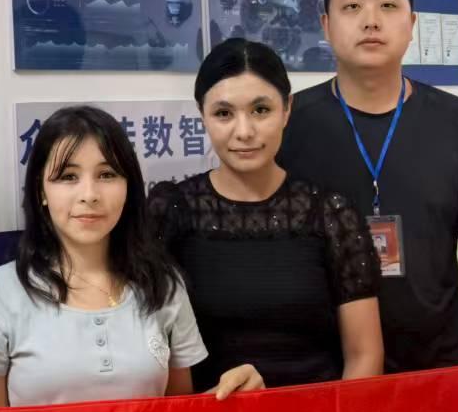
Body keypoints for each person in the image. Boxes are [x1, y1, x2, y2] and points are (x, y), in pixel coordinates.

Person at [0, 106, 262, 412]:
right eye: (68, 177)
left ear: (128, 187)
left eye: (107, 175)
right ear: (40, 191)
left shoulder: (164, 285)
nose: (89, 195)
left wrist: (232, 396)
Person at [278, 0, 458, 373]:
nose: (371, 20)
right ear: (326, 25)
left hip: (436, 367)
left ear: (412, 23)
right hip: (320, 372)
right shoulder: (288, 125)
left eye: (387, 5)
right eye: (352, 6)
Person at [147, 38, 383, 389]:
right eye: (224, 113)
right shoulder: (170, 210)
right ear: (202, 115)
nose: (244, 132)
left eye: (260, 110)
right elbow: (156, 352)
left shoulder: (331, 213)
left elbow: (364, 354)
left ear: (287, 109)